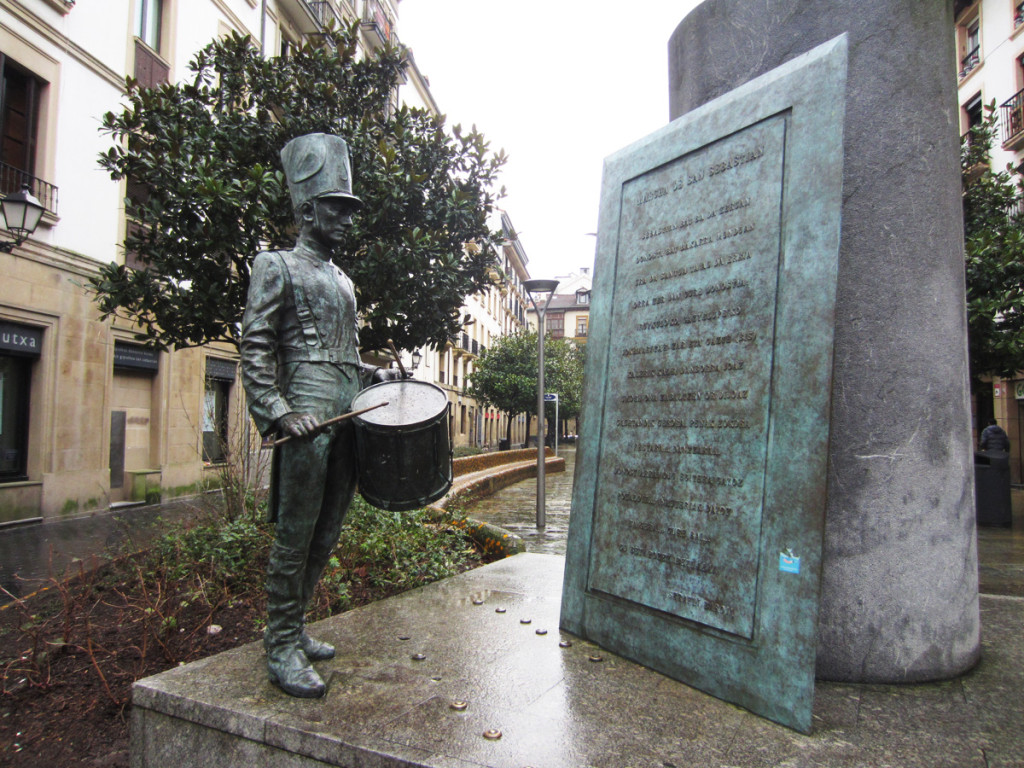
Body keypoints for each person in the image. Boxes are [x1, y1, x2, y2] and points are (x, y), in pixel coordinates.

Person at [240, 133, 393, 698]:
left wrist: (371, 375)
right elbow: (255, 346)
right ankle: (279, 644)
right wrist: (278, 412)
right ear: (308, 211)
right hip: (305, 415)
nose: (347, 220)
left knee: (327, 533)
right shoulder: (274, 265)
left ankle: (295, 627)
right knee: (295, 535)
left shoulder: (345, 281)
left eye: (349, 209)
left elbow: (346, 350)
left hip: (347, 414)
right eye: (337, 208)